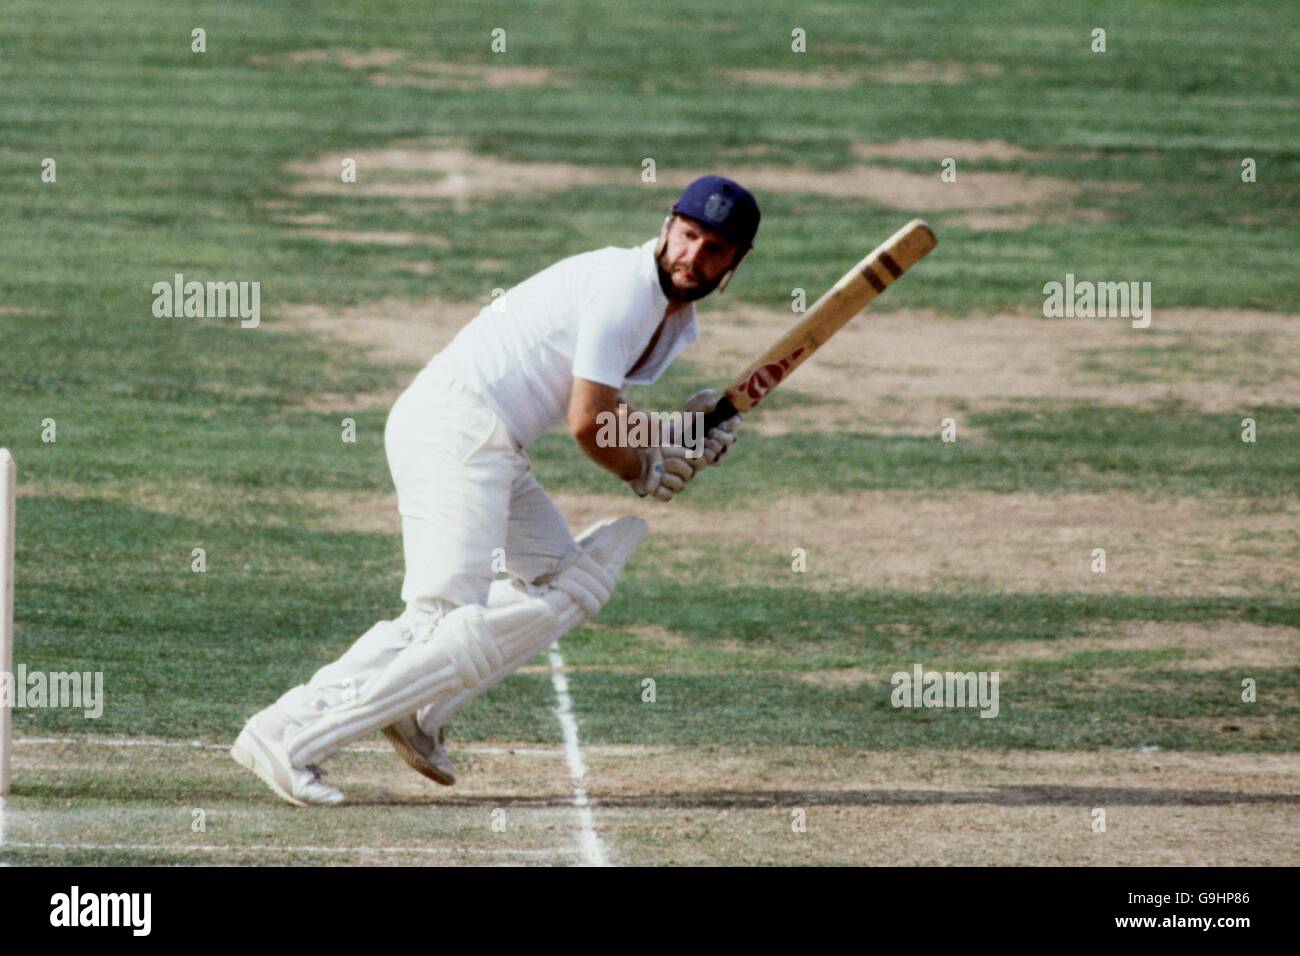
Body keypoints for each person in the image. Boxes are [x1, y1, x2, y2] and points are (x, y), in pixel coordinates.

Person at [231, 175, 759, 805]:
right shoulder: (627, 289)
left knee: (570, 583)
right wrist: (644, 466)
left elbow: (600, 406)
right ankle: (285, 736)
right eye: (689, 235)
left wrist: (687, 426)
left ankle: (417, 707)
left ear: (736, 261)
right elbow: (588, 424)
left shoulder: (669, 312)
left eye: (714, 249)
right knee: (441, 622)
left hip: (491, 442)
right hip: (456, 426)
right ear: (668, 223)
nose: (692, 257)